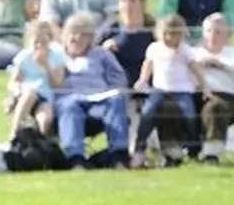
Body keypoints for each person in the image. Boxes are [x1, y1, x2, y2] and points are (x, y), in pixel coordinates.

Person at [51, 11, 129, 166]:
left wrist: (113, 91)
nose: (78, 38)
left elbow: (119, 79)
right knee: (69, 105)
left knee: (116, 99)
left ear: (91, 38)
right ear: (65, 35)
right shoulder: (56, 55)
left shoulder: (101, 54)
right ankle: (76, 159)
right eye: (73, 33)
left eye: (84, 35)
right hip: (69, 102)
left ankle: (119, 156)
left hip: (100, 102)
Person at [134, 13, 204, 164]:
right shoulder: (154, 48)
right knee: (147, 112)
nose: (170, 38)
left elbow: (196, 69)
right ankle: (139, 147)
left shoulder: (185, 50)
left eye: (174, 34)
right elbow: (148, 66)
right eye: (166, 34)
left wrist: (204, 87)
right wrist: (143, 80)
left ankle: (193, 146)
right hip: (160, 89)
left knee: (189, 114)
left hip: (182, 90)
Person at [7, 18, 65, 138]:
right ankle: (14, 133)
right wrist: (17, 90)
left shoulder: (57, 56)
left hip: (46, 96)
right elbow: (14, 81)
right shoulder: (24, 57)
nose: (39, 46)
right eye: (36, 42)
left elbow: (58, 85)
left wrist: (46, 66)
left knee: (45, 119)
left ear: (50, 40)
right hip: (26, 94)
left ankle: (41, 143)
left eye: (43, 42)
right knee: (31, 93)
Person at [196, 12, 234, 159]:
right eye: (209, 31)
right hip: (195, 94)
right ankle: (174, 153)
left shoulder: (231, 53)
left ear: (227, 34)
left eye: (218, 32)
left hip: (225, 96)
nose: (212, 35)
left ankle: (211, 153)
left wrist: (220, 65)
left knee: (215, 106)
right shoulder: (194, 53)